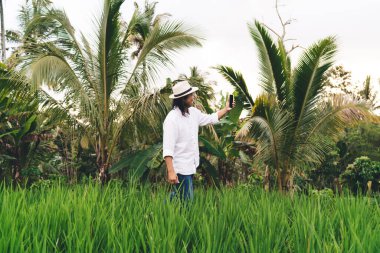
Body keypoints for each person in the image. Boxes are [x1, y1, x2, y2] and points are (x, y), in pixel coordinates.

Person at [162, 80, 235, 202]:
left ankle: (156, 216)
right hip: (180, 168)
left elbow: (211, 118)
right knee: (186, 202)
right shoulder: (172, 119)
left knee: (177, 197)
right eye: (191, 95)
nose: (193, 97)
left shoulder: (193, 113)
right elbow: (168, 148)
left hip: (190, 165)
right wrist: (171, 171)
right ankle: (161, 216)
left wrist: (226, 109)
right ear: (183, 98)